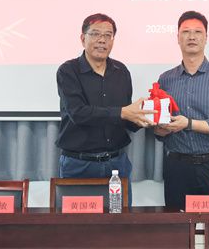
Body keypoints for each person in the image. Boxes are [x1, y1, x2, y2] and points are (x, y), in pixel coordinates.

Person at [55, 13, 155, 200]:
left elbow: (125, 119)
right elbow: (78, 113)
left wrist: (145, 118)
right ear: (83, 38)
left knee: (120, 218)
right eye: (95, 34)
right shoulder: (68, 71)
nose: (102, 40)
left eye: (108, 35)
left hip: (116, 164)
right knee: (78, 218)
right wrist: (123, 113)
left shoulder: (121, 71)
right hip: (79, 164)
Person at [154, 10, 209, 209]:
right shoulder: (165, 79)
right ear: (178, 38)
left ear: (206, 38)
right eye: (185, 32)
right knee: (177, 224)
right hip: (177, 167)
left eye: (198, 32)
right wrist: (160, 128)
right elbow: (159, 130)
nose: (191, 36)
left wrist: (188, 124)